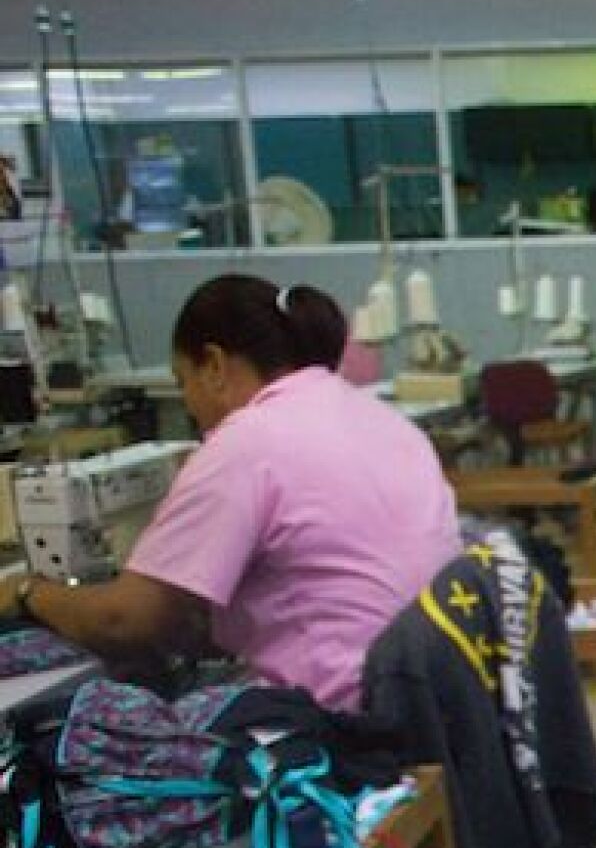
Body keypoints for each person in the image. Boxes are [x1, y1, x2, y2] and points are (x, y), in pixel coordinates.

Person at [8, 275, 461, 711]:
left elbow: (125, 621)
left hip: (347, 715)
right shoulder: (379, 418)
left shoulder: (246, 442)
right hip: (440, 695)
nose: (187, 401)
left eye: (183, 379)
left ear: (215, 365)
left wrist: (29, 592)